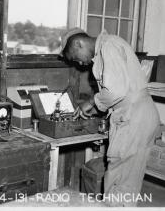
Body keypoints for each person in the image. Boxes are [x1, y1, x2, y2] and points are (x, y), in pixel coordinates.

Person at [60, 27, 160, 206]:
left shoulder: (108, 47)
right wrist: (99, 106)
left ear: (78, 43)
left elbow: (115, 91)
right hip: (139, 115)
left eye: (76, 58)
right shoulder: (111, 44)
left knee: (118, 184)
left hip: (132, 119)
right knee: (128, 182)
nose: (81, 64)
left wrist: (91, 101)